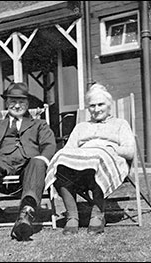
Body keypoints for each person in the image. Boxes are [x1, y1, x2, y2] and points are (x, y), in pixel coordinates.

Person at [0, 82, 56, 241]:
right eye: (13, 101)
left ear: (28, 103)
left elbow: (49, 144)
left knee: (38, 162)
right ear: (6, 103)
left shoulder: (39, 124)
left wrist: (43, 157)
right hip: (1, 163)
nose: (17, 105)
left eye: (21, 102)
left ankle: (25, 216)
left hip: (29, 164)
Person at [45, 83, 135, 235]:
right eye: (92, 106)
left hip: (108, 160)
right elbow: (69, 149)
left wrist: (111, 149)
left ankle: (97, 214)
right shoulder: (81, 126)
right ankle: (72, 216)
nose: (96, 109)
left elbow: (130, 151)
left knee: (97, 159)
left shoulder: (120, 124)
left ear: (109, 105)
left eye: (101, 104)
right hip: (82, 164)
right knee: (59, 159)